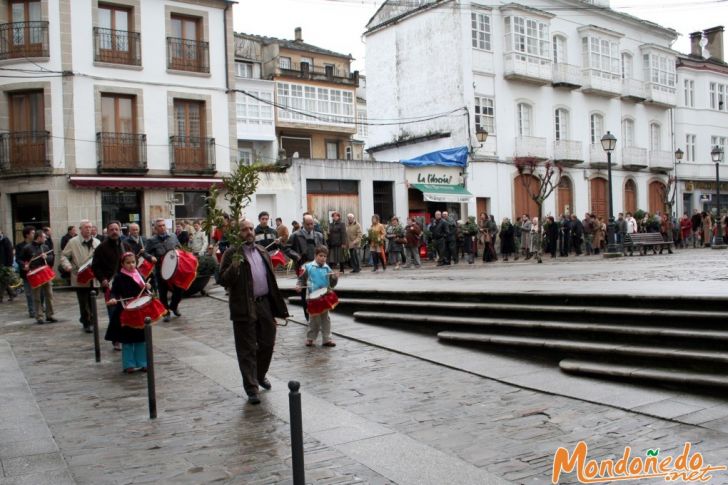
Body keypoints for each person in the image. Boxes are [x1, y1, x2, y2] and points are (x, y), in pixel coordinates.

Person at [219, 219, 288, 405]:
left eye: (251, 229)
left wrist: (277, 307)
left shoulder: (261, 250)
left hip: (264, 304)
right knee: (247, 349)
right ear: (238, 233)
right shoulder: (232, 253)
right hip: (243, 306)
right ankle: (251, 388)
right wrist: (234, 265)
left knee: (268, 342)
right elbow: (222, 280)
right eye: (244, 230)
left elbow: (270, 279)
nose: (249, 232)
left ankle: (259, 374)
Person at [105, 252, 151, 373]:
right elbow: (114, 291)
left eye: (133, 262)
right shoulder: (119, 277)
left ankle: (143, 363)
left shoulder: (139, 274)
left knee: (141, 338)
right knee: (127, 339)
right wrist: (113, 298)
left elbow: (147, 290)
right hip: (125, 310)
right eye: (128, 263)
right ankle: (128, 364)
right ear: (122, 264)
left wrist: (148, 286)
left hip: (139, 310)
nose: (131, 265)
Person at [61, 220, 100, 332]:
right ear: (80, 229)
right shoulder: (72, 242)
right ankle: (87, 322)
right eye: (86, 227)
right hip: (80, 276)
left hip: (93, 276)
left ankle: (91, 319)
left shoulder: (97, 242)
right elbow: (64, 256)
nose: (89, 229)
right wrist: (67, 266)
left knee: (92, 299)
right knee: (83, 300)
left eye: (90, 227)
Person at [296, 245, 338, 347]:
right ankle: (310, 338)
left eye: (325, 256)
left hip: (324, 297)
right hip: (312, 297)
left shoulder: (327, 267)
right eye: (321, 256)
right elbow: (301, 279)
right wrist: (299, 285)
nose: (323, 258)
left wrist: (334, 277)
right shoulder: (308, 267)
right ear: (315, 255)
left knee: (326, 319)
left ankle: (327, 339)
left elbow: (332, 284)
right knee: (314, 319)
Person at [285, 214, 325, 321]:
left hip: (317, 267)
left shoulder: (319, 235)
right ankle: (308, 316)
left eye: (312, 224)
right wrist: (296, 256)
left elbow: (324, 249)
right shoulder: (295, 235)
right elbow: (287, 249)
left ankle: (318, 313)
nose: (310, 226)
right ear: (303, 224)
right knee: (304, 291)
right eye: (308, 224)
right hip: (303, 267)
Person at [145, 219, 182, 322]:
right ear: (155, 229)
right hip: (160, 270)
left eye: (163, 225)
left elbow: (179, 247)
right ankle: (166, 312)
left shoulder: (173, 236)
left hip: (174, 269)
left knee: (179, 290)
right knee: (163, 293)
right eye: (159, 226)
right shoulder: (151, 240)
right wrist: (150, 258)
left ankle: (174, 306)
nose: (162, 227)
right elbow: (145, 253)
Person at [21, 231, 56, 324]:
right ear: (39, 237)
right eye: (44, 237)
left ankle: (50, 315)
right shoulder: (27, 248)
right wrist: (25, 265)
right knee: (36, 296)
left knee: (49, 295)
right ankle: (39, 316)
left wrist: (46, 257)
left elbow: (51, 257)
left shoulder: (45, 247)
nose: (45, 239)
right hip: (35, 273)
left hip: (45, 273)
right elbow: (21, 259)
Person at [15, 226, 37, 318]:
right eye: (32, 233)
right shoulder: (20, 246)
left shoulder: (36, 245)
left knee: (39, 292)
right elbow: (18, 259)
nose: (34, 234)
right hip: (26, 272)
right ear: (27, 235)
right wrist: (23, 265)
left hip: (36, 271)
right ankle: (32, 310)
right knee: (28, 293)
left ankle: (39, 308)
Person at [0, 228, 15, 302]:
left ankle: (0, 297)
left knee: (3, 281)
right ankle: (12, 293)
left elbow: (10, 253)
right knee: (3, 280)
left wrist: (9, 264)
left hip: (5, 264)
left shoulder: (5, 240)